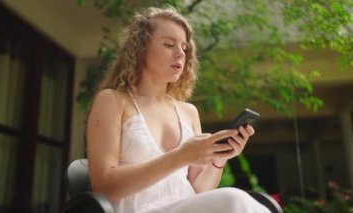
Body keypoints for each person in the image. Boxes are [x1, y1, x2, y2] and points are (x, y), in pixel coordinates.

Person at [86, 6, 270, 213]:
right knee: (235, 199)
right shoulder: (113, 100)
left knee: (244, 202)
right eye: (168, 44)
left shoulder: (188, 112)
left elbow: (199, 190)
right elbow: (104, 186)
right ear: (141, 49)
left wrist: (220, 157)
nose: (180, 53)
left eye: (184, 47)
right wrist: (180, 156)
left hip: (185, 206)